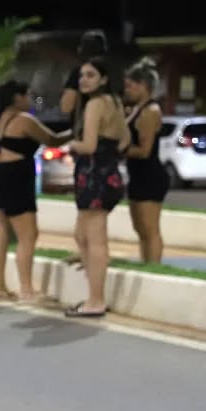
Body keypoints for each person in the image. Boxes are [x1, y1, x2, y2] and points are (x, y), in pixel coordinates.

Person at [0, 81, 71, 302]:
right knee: (28, 235)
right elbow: (52, 140)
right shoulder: (23, 120)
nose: (30, 99)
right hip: (16, 178)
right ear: (16, 98)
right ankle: (26, 290)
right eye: (27, 95)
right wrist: (77, 132)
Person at [66, 58, 130, 318]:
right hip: (107, 174)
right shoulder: (115, 104)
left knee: (95, 240)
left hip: (93, 176)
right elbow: (125, 140)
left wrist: (72, 145)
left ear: (103, 79)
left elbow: (89, 145)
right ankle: (94, 295)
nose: (83, 80)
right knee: (81, 237)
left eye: (90, 75)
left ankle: (96, 300)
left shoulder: (94, 104)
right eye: (81, 75)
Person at [123, 58, 169, 264]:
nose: (127, 90)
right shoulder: (134, 109)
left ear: (143, 86)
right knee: (140, 228)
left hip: (150, 175)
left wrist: (119, 150)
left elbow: (144, 150)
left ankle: (154, 267)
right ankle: (146, 263)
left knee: (150, 229)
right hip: (137, 174)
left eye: (130, 85)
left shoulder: (150, 111)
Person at [60, 30, 107, 128]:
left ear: (81, 50)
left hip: (86, 131)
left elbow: (66, 107)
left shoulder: (80, 72)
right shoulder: (114, 72)